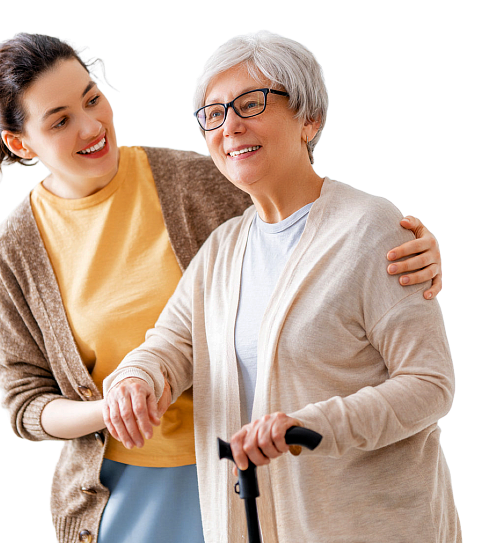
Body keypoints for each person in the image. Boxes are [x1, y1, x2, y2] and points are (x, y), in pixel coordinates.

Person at [0, 32, 442, 543]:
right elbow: (149, 350)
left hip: (268, 469)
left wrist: (410, 242)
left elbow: (310, 215)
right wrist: (123, 395)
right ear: (20, 143)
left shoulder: (199, 179)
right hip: (142, 481)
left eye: (93, 98)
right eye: (60, 120)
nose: (92, 125)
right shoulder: (17, 246)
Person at [103, 30, 460, 542]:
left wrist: (307, 427)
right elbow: (170, 345)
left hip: (370, 526)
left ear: (308, 118)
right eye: (214, 113)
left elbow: (429, 384)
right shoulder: (223, 249)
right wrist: (136, 381)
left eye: (251, 103)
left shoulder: (371, 229)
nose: (230, 126)